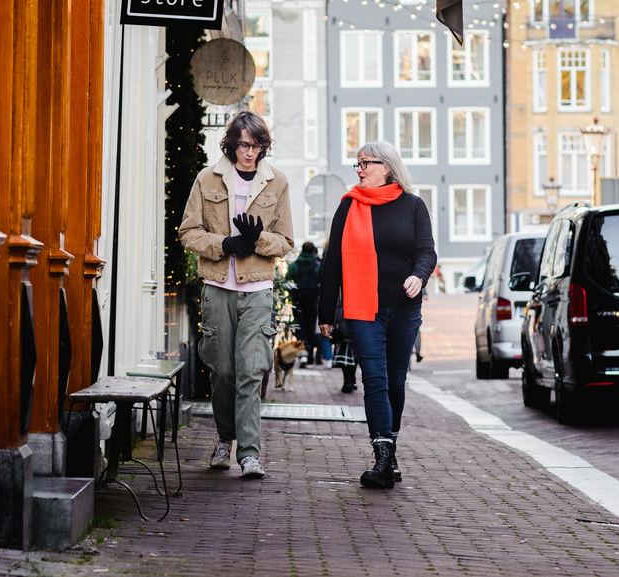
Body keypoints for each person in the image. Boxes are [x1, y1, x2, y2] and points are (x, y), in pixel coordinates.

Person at [179, 111, 293, 479]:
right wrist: (225, 243)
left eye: (257, 145)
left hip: (258, 288)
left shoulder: (278, 183)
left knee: (251, 371)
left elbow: (286, 241)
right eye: (244, 144)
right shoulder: (206, 178)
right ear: (231, 143)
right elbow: (188, 232)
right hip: (217, 286)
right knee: (222, 370)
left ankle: (248, 454)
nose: (250, 152)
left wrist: (258, 239)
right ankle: (224, 438)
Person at [318, 141, 436, 489]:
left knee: (395, 381)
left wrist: (418, 275)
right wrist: (326, 312)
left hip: (403, 308)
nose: (359, 170)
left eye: (365, 163)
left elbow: (427, 251)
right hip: (362, 308)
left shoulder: (413, 206)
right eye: (357, 164)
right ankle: (382, 456)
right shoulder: (349, 206)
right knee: (374, 379)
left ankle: (391, 448)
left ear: (387, 166)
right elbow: (332, 263)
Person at [286, 242, 323, 366]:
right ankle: (311, 356)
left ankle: (303, 354)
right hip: (313, 302)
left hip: (298, 302)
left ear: (302, 250)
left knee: (300, 328)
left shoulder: (294, 266)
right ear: (313, 251)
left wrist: (292, 295)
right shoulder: (318, 266)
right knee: (311, 328)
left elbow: (286, 282)